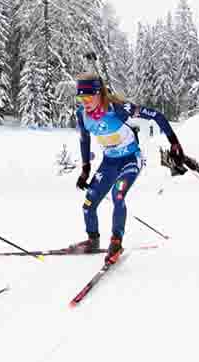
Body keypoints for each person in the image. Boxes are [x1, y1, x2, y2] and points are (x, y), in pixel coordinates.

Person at [73, 73, 184, 263]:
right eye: (80, 98)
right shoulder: (82, 116)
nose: (85, 102)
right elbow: (84, 140)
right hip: (109, 163)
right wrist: (85, 169)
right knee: (88, 205)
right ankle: (93, 240)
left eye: (88, 97)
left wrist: (174, 143)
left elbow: (156, 116)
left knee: (118, 196)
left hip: (130, 160)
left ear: (99, 94)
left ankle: (116, 242)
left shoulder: (118, 109)